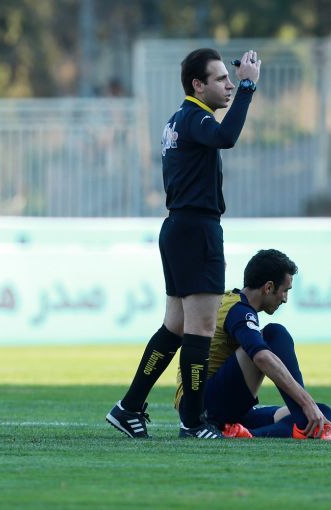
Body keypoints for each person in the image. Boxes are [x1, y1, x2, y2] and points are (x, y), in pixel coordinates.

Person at [106, 48, 261, 439]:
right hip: (196, 229)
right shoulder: (195, 117)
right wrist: (248, 88)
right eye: (221, 79)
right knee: (201, 328)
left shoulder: (178, 119)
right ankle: (192, 422)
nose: (228, 85)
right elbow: (226, 137)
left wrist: (239, 88)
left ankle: (128, 407)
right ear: (198, 85)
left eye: (230, 79)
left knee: (174, 327)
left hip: (178, 227)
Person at [174, 249, 331, 440]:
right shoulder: (239, 311)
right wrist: (306, 402)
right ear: (268, 287)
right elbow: (261, 357)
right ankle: (302, 421)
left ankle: (243, 433)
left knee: (322, 411)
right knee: (275, 333)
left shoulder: (232, 301)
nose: (285, 298)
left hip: (215, 405)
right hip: (202, 407)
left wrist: (308, 405)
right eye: (285, 290)